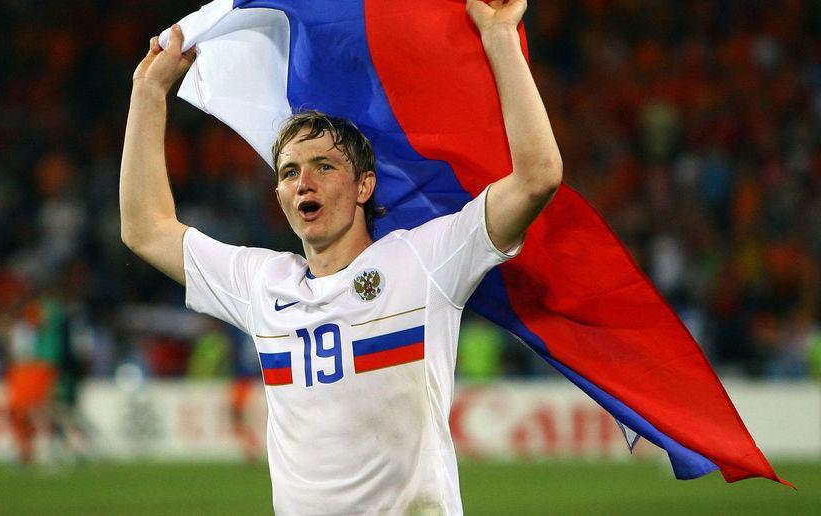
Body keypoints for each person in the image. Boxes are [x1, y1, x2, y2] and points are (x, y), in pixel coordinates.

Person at [120, 0, 561, 514]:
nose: (303, 181)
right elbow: (146, 230)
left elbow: (537, 177)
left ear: (364, 185)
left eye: (324, 166)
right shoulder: (263, 284)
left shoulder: (424, 262)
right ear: (280, 196)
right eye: (288, 172)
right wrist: (148, 93)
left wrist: (500, 37)